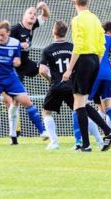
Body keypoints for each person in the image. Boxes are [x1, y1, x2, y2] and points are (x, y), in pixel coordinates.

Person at [62, 0, 111, 152]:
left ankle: (87, 143)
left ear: (74, 2)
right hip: (94, 60)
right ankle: (106, 133)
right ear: (88, 1)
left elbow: (78, 46)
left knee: (78, 104)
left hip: (84, 60)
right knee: (82, 104)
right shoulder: (95, 19)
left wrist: (69, 69)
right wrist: (96, 63)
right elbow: (102, 46)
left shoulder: (77, 20)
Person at [7, 2, 51, 144]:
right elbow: (3, 42)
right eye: (29, 13)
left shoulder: (33, 26)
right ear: (23, 16)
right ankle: (13, 134)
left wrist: (43, 7)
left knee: (43, 69)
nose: (32, 15)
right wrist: (19, 45)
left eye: (34, 13)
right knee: (16, 101)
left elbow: (45, 16)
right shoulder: (15, 29)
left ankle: (53, 83)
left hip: (25, 63)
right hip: (14, 66)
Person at [39, 20, 76, 150]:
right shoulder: (73, 47)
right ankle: (83, 140)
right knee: (79, 111)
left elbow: (42, 70)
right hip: (71, 85)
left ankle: (54, 143)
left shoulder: (48, 50)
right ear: (66, 32)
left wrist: (50, 80)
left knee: (46, 113)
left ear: (53, 31)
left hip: (56, 86)